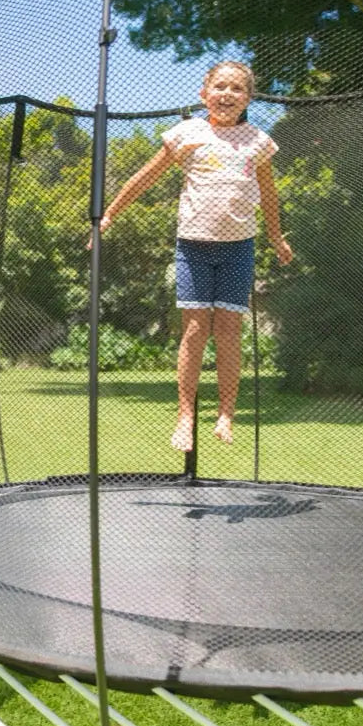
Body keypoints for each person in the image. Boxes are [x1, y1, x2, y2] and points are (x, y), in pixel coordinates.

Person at [98, 61, 293, 452]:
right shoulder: (186, 134)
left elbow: (269, 194)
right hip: (193, 246)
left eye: (237, 89)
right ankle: (185, 416)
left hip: (239, 248)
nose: (227, 94)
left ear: (248, 98)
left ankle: (226, 413)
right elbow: (145, 176)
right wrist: (109, 214)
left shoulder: (257, 142)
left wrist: (276, 236)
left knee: (229, 331)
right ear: (204, 93)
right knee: (194, 330)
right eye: (219, 86)